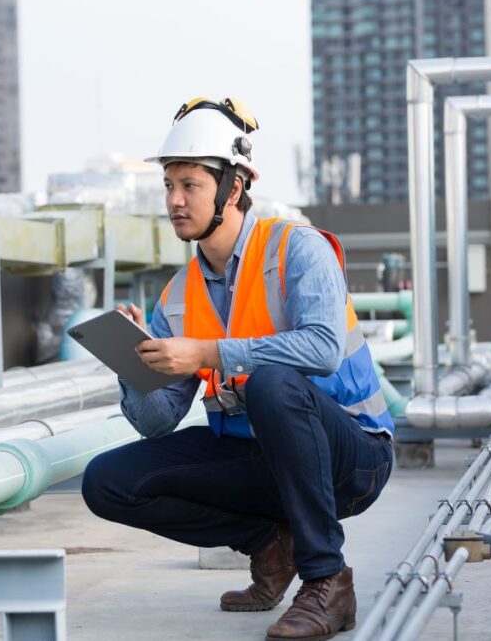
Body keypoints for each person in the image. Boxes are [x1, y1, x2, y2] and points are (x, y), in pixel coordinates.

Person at [81, 97, 395, 641]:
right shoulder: (177, 296)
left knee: (274, 382)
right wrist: (134, 365)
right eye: (169, 186)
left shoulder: (299, 249)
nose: (175, 201)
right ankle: (269, 545)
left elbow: (321, 350)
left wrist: (207, 353)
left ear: (233, 187)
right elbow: (158, 422)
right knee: (107, 482)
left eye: (190, 186)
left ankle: (328, 582)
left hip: (352, 458)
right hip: (259, 460)